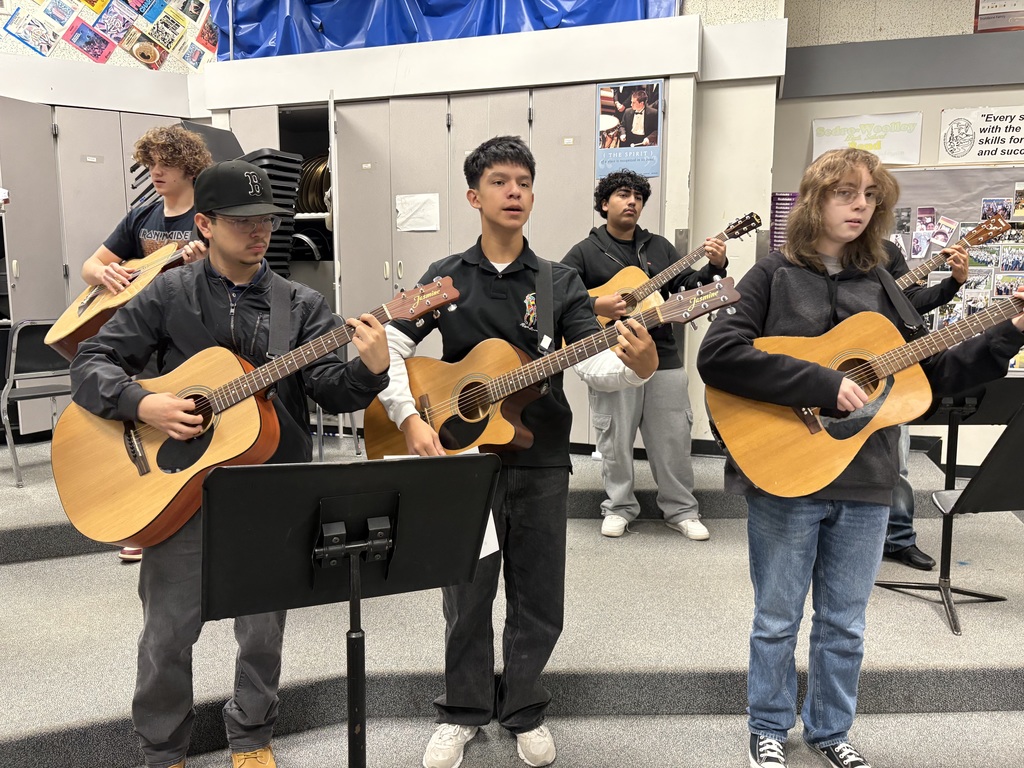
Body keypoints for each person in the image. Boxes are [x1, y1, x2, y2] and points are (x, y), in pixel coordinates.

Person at [696, 148, 1024, 768]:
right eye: (846, 192)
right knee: (776, 618)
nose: (860, 205)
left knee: (844, 623)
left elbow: (932, 375)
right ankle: (767, 726)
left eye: (870, 195)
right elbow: (718, 356)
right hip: (786, 473)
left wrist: (1007, 331)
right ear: (815, 199)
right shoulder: (773, 274)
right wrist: (819, 384)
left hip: (868, 475)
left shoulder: (883, 280)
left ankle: (829, 730)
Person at [70, 160, 391, 768]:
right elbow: (90, 362)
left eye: (266, 220)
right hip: (176, 491)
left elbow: (331, 390)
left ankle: (252, 735)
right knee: (167, 634)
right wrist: (146, 402)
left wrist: (368, 370)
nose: (258, 232)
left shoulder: (302, 304)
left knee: (264, 632)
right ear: (205, 224)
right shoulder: (168, 293)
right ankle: (163, 750)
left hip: (271, 491)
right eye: (242, 222)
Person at [375, 136, 658, 768]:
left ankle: (524, 706)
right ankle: (463, 711)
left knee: (538, 593)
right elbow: (388, 345)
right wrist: (407, 418)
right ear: (474, 196)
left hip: (540, 456)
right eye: (500, 182)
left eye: (524, 183)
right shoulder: (443, 279)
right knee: (465, 591)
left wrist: (637, 365)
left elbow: (598, 365)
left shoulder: (560, 283)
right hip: (458, 455)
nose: (514, 193)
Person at [562, 169, 727, 540]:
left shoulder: (660, 248)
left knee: (672, 439)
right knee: (615, 440)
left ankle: (681, 510)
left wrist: (715, 266)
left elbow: (688, 288)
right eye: (623, 194)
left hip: (663, 354)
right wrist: (597, 302)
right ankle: (618, 507)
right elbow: (561, 298)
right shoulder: (585, 252)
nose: (632, 201)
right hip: (612, 354)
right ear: (605, 204)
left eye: (638, 196)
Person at [81, 123, 212, 562]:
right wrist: (104, 273)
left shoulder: (208, 214)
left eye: (167, 164)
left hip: (191, 328)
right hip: (143, 329)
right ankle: (140, 513)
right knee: (139, 416)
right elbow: (91, 265)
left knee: (185, 418)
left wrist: (204, 260)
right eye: (151, 164)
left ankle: (171, 510)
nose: (156, 172)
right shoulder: (142, 215)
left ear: (189, 166)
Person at [885, 239, 968, 570]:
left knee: (898, 459)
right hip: (831, 367)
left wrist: (953, 283)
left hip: (888, 366)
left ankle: (899, 538)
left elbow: (912, 302)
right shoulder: (813, 253)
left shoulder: (887, 253)